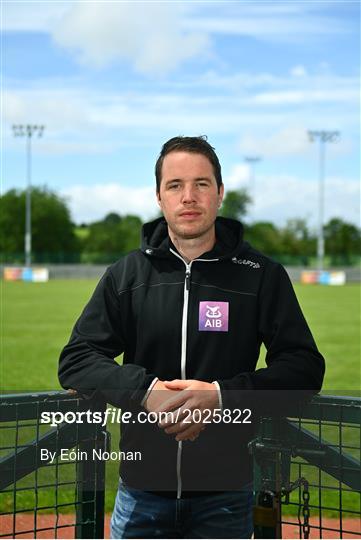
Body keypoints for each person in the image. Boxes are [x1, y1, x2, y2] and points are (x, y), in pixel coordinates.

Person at [59, 136, 325, 539]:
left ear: (220, 194)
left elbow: (304, 368)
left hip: (226, 494)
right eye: (175, 185)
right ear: (159, 197)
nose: (189, 197)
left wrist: (220, 396)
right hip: (141, 492)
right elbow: (77, 358)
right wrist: (146, 391)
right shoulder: (127, 275)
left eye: (201, 184)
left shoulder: (260, 275)